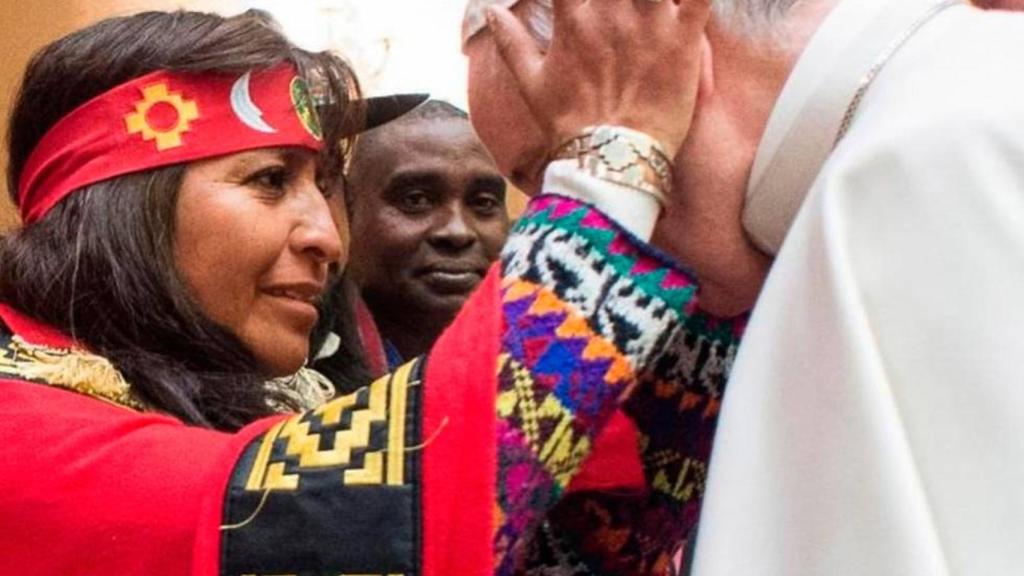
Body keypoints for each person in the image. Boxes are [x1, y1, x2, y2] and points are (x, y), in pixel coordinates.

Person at [0, 5, 738, 576]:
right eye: (270, 181)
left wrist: (717, 279)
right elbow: (360, 518)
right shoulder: (18, 425)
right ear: (120, 203)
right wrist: (611, 166)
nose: (327, 236)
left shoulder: (258, 399)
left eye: (326, 189)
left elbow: (568, 541)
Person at [465, 0, 1024, 574]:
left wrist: (608, 163)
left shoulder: (928, 156)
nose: (599, 232)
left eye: (554, 164)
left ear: (663, 67)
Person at [344, 99, 510, 366]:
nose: (458, 231)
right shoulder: (293, 376)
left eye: (483, 203)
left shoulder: (547, 370)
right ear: (346, 212)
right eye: (416, 200)